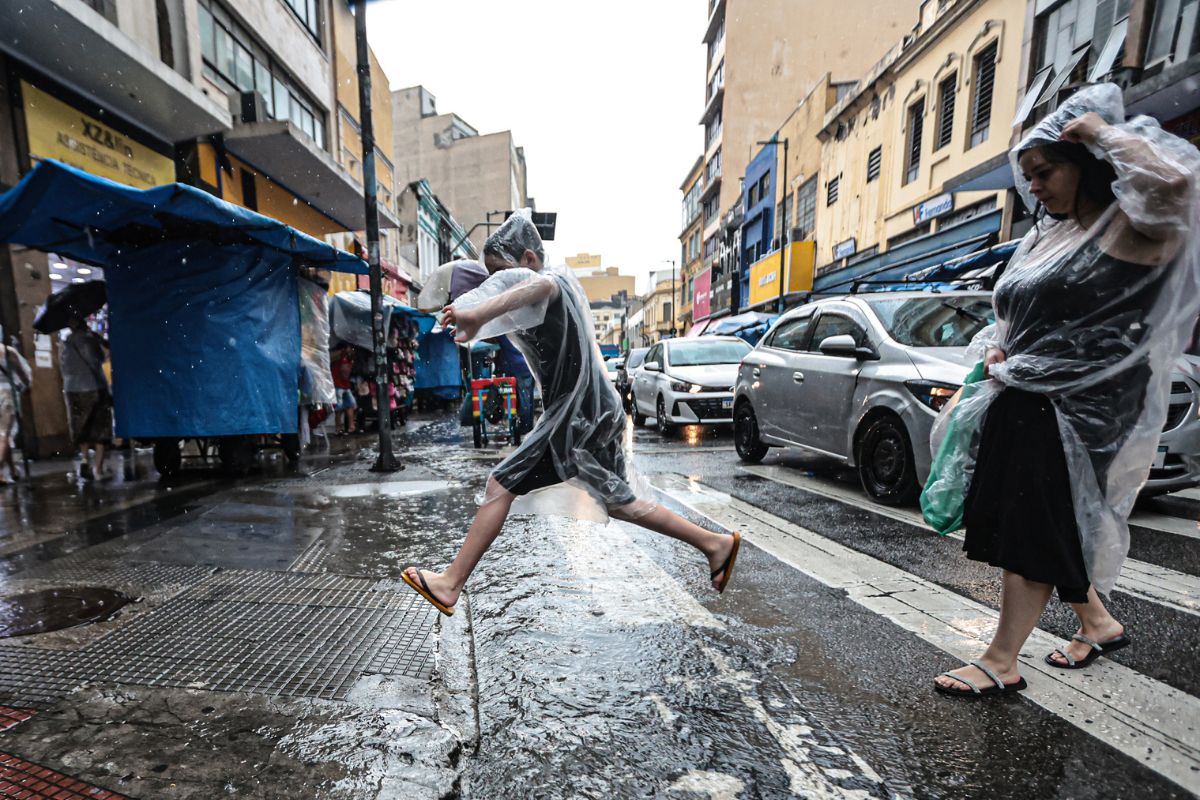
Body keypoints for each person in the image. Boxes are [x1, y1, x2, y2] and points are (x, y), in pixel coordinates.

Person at [931, 84, 1200, 698]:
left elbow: (1178, 185)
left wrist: (1101, 131)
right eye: (1027, 176)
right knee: (1042, 519)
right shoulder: (1048, 236)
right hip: (1024, 397)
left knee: (1032, 524)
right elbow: (1013, 312)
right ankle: (1097, 622)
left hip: (1080, 408)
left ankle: (1001, 660)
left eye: (1045, 171)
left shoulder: (1133, 225)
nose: (1034, 186)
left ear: (1086, 163)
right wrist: (998, 348)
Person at [402, 211, 741, 616]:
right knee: (620, 502)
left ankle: (450, 583)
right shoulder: (538, 298)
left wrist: (478, 313)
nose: (498, 282)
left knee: (500, 484)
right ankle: (714, 544)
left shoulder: (552, 283)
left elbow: (539, 285)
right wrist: (476, 313)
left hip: (577, 416)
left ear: (528, 258)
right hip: (591, 412)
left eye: (501, 273)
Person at [60, 315, 112, 481]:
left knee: (81, 427)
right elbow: (97, 360)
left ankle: (84, 460)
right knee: (100, 427)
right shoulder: (87, 340)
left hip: (71, 389)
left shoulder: (64, 343)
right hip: (93, 387)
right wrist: (98, 340)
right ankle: (98, 470)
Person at [0, 340, 31, 484]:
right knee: (4, 434)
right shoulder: (7, 352)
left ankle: (12, 470)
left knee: (3, 435)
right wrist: (26, 385)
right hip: (6, 393)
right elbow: (22, 373)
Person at [331, 344, 356, 435]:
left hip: (345, 385)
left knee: (350, 405)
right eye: (350, 348)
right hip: (338, 385)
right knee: (339, 407)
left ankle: (351, 426)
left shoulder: (349, 357)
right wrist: (343, 351)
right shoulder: (340, 355)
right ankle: (338, 428)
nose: (351, 350)